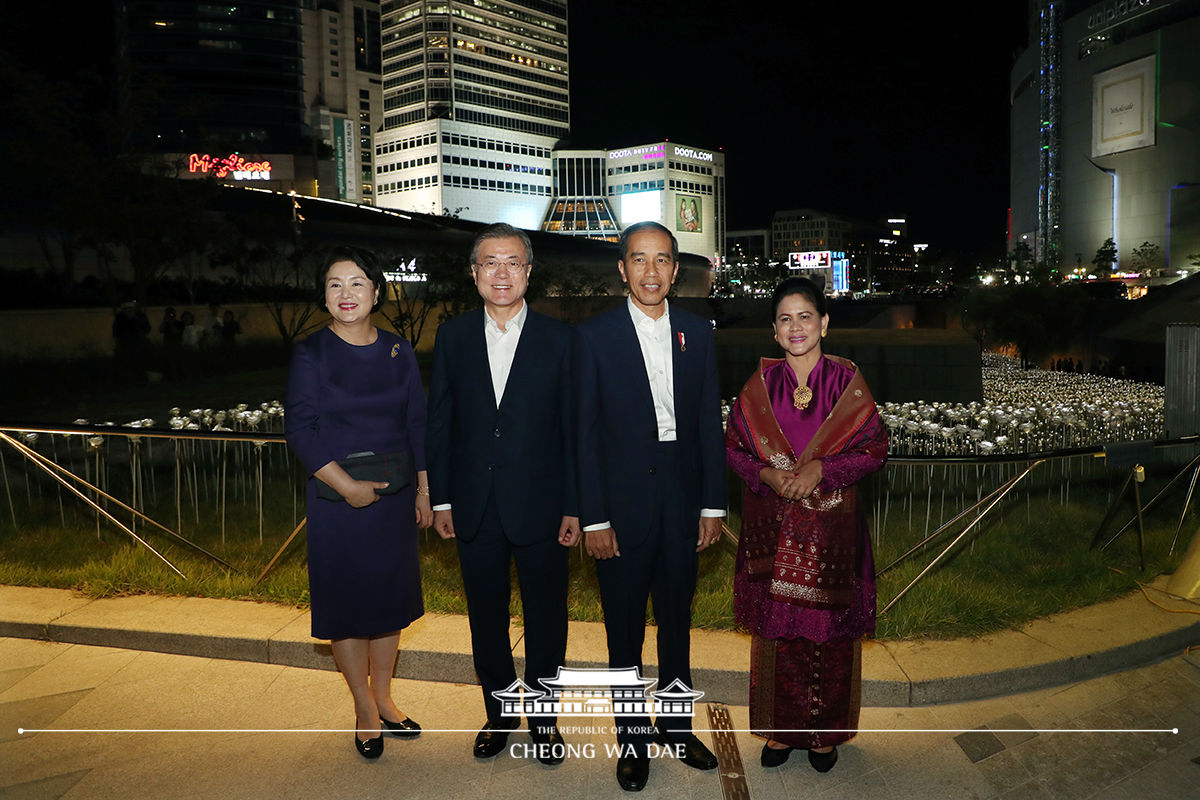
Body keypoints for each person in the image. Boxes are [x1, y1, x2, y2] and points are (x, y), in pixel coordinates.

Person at [574, 220, 725, 791]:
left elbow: (709, 424)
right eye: (640, 259)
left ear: (676, 269)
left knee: (678, 624)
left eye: (662, 260)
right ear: (622, 268)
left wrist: (712, 506)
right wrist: (594, 517)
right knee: (624, 631)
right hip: (620, 508)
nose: (651, 271)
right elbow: (583, 434)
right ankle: (632, 740)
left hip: (682, 505)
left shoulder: (698, 332)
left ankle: (679, 729)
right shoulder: (592, 337)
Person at [427, 223, 580, 765]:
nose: (501, 273)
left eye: (512, 262)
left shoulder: (562, 340)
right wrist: (441, 499)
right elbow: (440, 423)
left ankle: (544, 721)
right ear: (474, 274)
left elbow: (572, 430)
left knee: (546, 618)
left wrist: (573, 505)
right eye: (490, 262)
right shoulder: (453, 336)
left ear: (529, 273)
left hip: (541, 505)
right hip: (473, 505)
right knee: (486, 617)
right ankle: (498, 714)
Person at [725, 277, 888, 773]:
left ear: (824, 323)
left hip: (832, 536)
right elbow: (732, 450)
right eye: (785, 319)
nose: (796, 327)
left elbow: (875, 450)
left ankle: (823, 737)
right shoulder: (758, 387)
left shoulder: (847, 382)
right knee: (778, 637)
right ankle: (779, 733)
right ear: (774, 332)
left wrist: (822, 470)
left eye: (805, 316)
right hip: (774, 529)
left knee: (830, 637)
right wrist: (768, 473)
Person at [285, 246, 432, 760]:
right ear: (324, 296)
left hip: (393, 500)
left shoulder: (398, 349)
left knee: (387, 604)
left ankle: (386, 698)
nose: (346, 294)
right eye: (334, 284)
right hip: (337, 501)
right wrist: (347, 487)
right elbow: (300, 429)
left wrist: (424, 490)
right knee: (348, 607)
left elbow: (417, 422)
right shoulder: (311, 353)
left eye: (356, 283)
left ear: (376, 291)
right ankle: (364, 708)